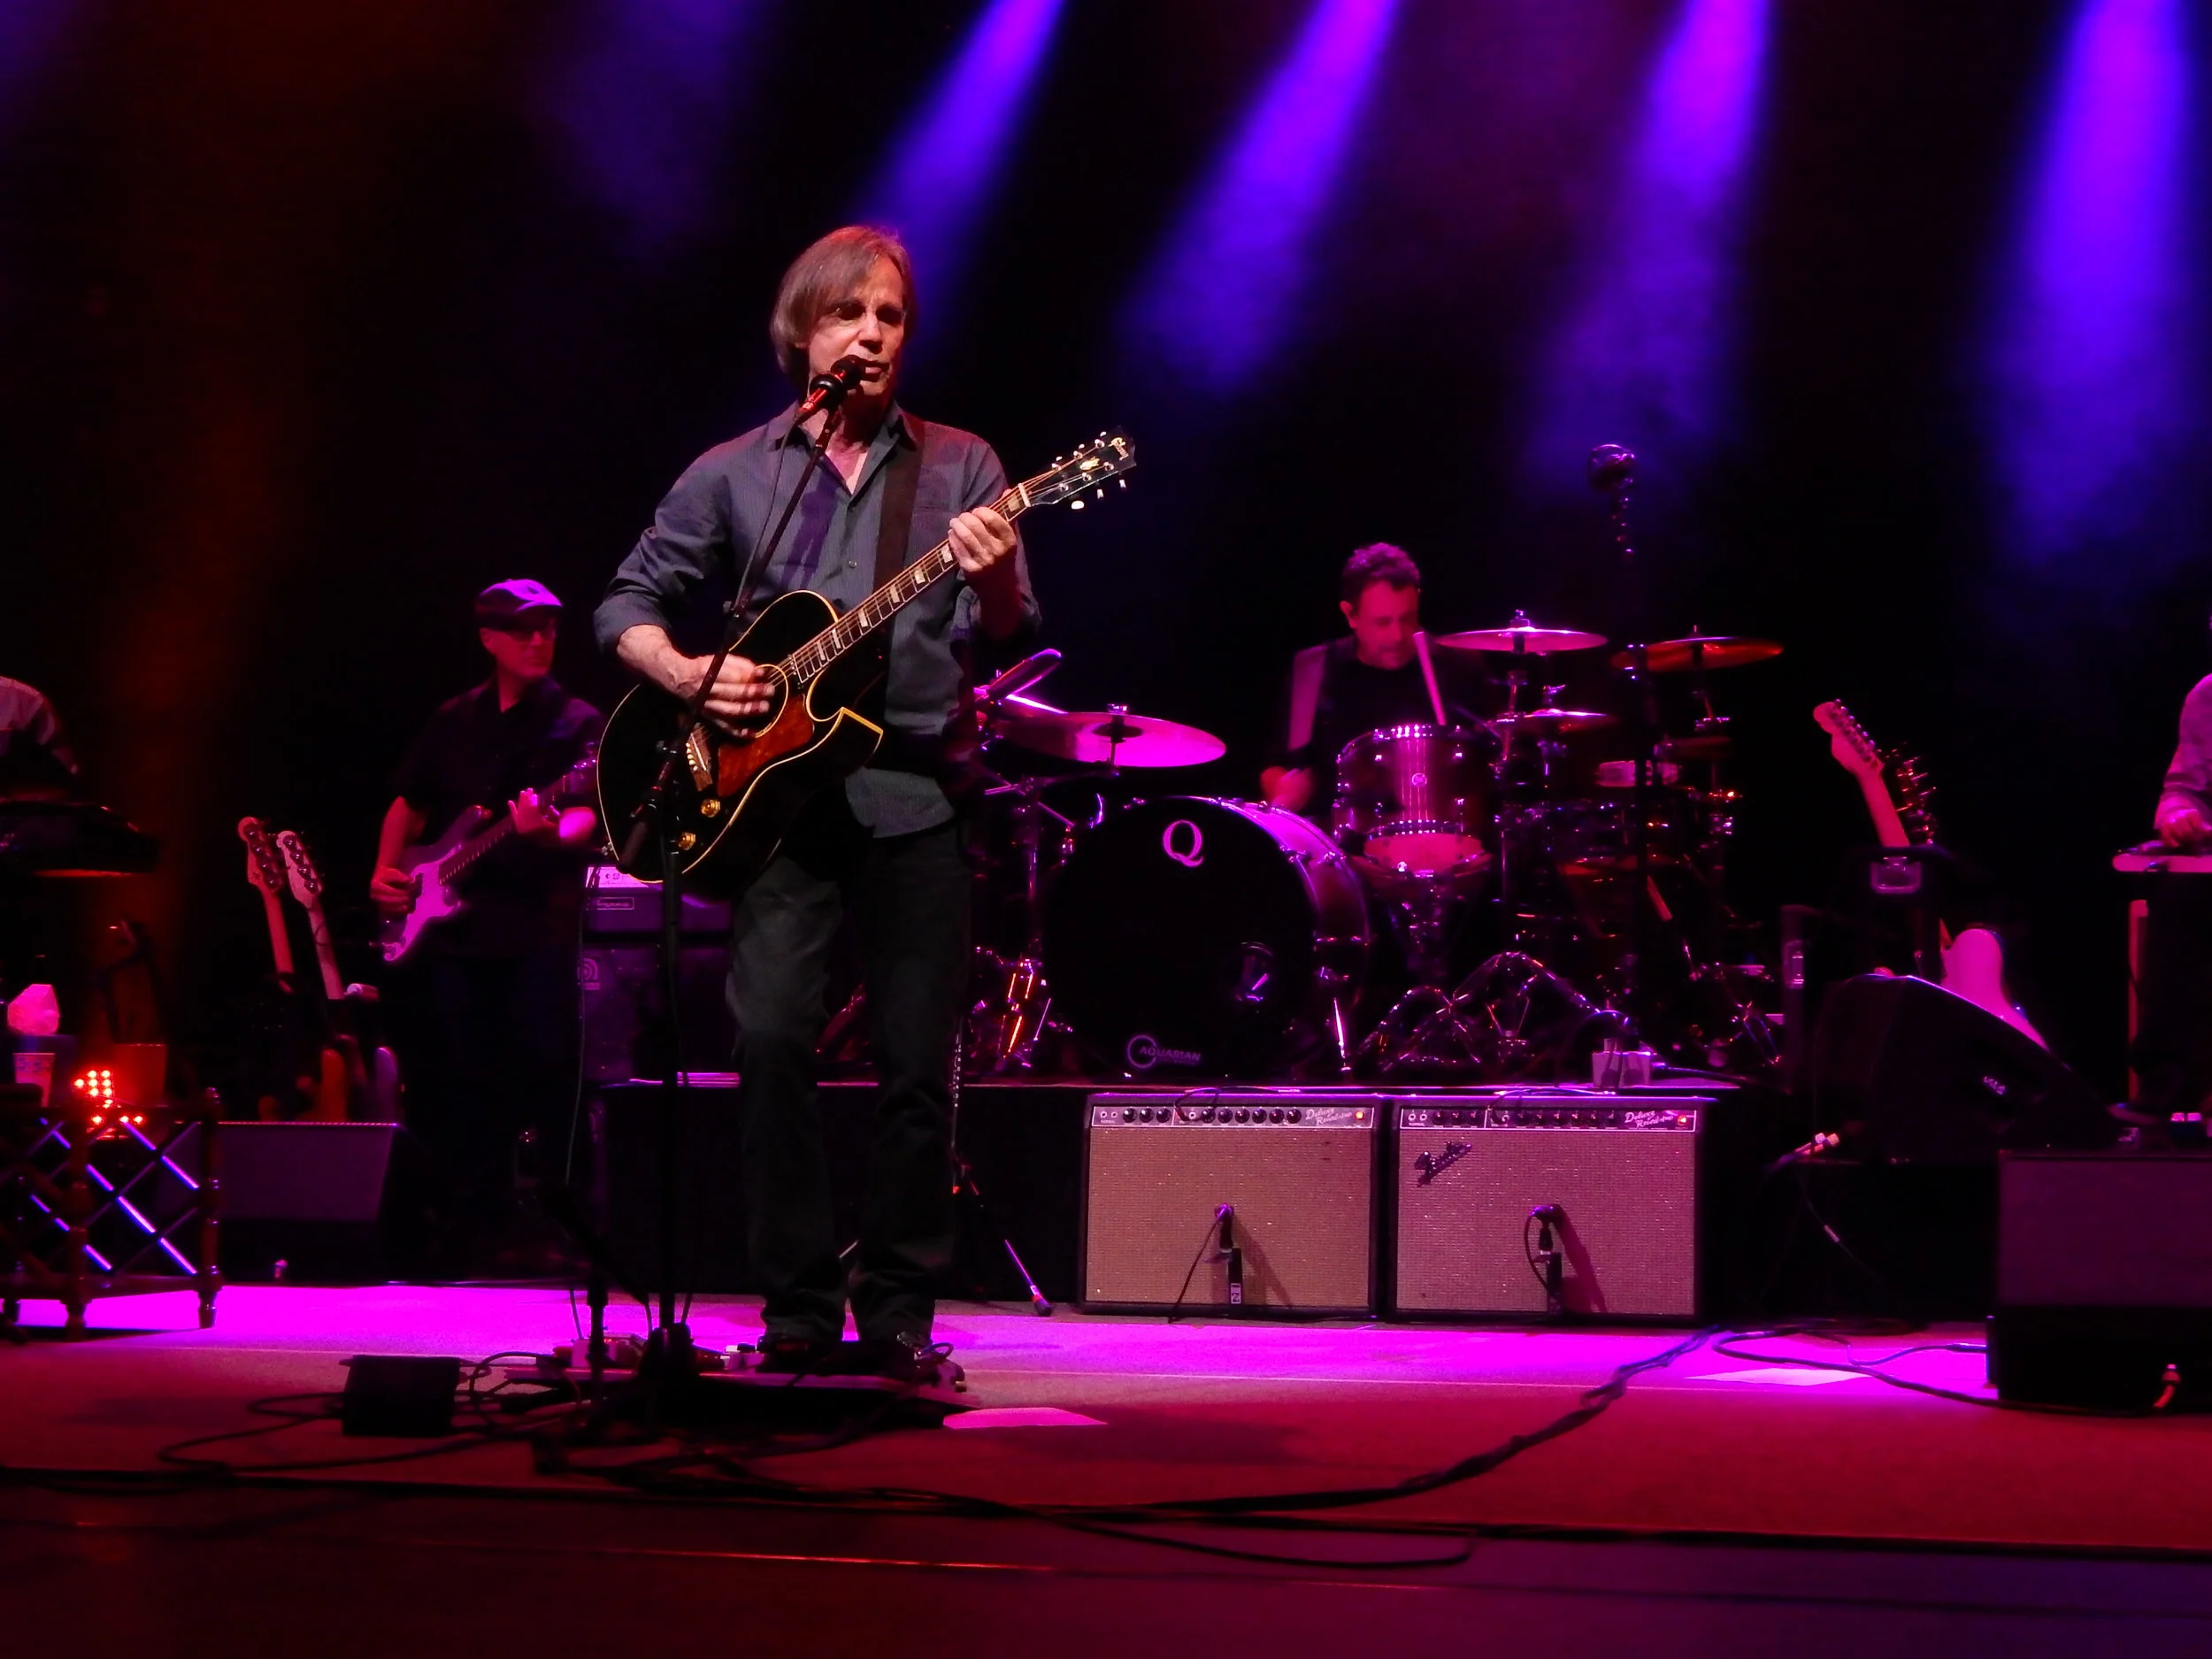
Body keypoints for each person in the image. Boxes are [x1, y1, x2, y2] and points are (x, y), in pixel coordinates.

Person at [593, 225, 1036, 1378]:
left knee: (911, 1062)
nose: (875, 332)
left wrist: (992, 568)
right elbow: (626, 603)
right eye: (852, 313)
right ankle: (794, 1304)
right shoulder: (742, 470)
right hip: (773, 807)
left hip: (916, 795)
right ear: (805, 332)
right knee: (773, 1035)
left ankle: (895, 1310)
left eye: (891, 315)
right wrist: (690, 672)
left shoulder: (961, 465)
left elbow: (1011, 629)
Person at [371, 580, 603, 1269]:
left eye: (548, 630)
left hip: (537, 931)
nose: (539, 641)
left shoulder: (579, 723)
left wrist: (545, 834)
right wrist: (386, 871)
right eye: (523, 630)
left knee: (552, 1072)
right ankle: (477, 1225)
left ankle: (567, 1229)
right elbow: (408, 803)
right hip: (457, 939)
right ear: (489, 639)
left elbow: (586, 817)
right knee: (463, 1081)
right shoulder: (455, 719)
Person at [1261, 543, 1488, 822]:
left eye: (1407, 619)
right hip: (1340, 849)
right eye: (1383, 622)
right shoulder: (1314, 669)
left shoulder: (1459, 666)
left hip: (1447, 844)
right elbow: (1277, 766)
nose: (1397, 635)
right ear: (1350, 615)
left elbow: (1490, 765)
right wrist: (1284, 799)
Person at [2131, 665, 2212, 1135]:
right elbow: (2183, 790)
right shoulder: (2207, 696)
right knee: (2177, 894)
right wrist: (2179, 815)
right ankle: (2166, 1089)